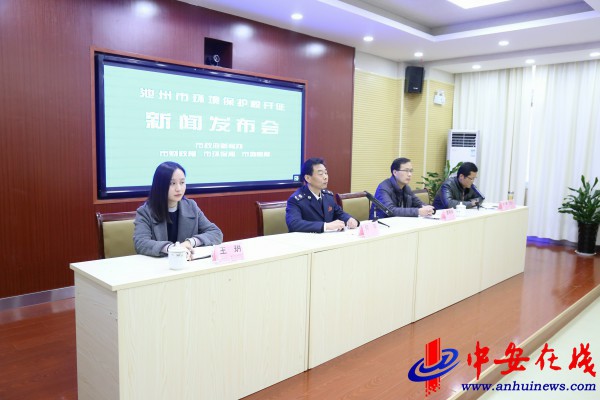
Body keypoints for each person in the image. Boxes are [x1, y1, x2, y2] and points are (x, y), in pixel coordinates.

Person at [133, 161, 223, 257]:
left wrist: (190, 242)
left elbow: (216, 233)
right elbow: (140, 243)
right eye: (172, 183)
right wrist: (172, 249)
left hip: (188, 262)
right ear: (160, 185)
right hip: (159, 263)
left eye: (182, 182)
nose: (179, 188)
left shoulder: (191, 206)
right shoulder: (145, 212)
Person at [286, 157, 359, 233]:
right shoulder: (296, 200)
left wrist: (349, 219)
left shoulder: (328, 196)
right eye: (320, 174)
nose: (325, 177)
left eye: (326, 173)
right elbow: (294, 224)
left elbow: (339, 213)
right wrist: (325, 226)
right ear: (308, 178)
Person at [370, 157, 435, 219]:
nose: (409, 174)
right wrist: (418, 211)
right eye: (406, 171)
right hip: (381, 224)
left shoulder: (406, 187)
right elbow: (391, 211)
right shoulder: (383, 188)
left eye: (411, 171)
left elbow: (418, 203)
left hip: (399, 222)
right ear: (395, 172)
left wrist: (427, 208)